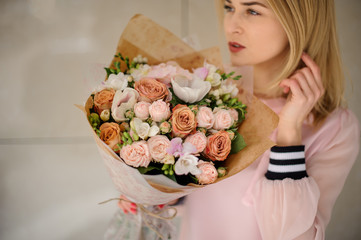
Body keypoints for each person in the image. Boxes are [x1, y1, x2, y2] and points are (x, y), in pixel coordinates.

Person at [119, 0, 360, 239]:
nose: (232, 26)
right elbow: (183, 203)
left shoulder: (334, 127)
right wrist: (152, 190)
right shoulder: (205, 89)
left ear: (298, 23)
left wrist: (289, 137)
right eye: (229, 7)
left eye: (252, 11)